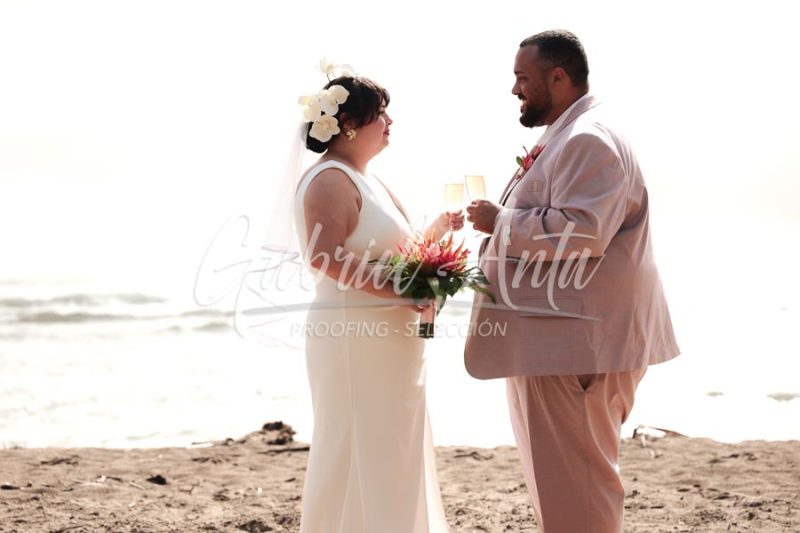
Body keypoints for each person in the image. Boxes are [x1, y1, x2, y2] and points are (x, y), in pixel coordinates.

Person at [464, 30, 680, 532]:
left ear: (558, 77)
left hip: (572, 349)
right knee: (567, 488)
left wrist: (501, 222)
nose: (514, 89)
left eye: (522, 78)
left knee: (576, 490)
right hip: (563, 344)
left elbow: (583, 233)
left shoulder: (587, 138)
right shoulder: (574, 133)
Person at [293, 74, 459, 533]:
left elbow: (397, 253)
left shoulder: (370, 180)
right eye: (380, 112)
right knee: (356, 448)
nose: (390, 121)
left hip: (392, 343)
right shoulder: (330, 179)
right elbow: (325, 257)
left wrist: (437, 235)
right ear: (347, 123)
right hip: (354, 340)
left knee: (393, 449)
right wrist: (406, 292)